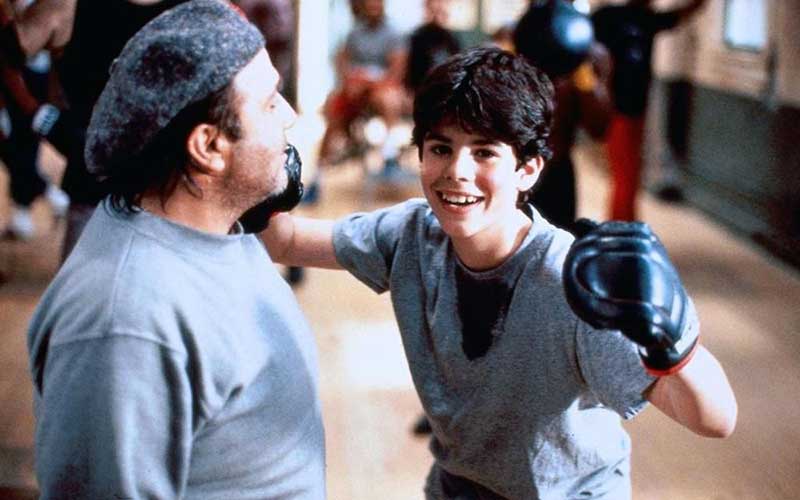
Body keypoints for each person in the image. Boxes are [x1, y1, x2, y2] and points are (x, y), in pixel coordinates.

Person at [261, 47, 737, 498]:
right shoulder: (412, 235)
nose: (457, 171)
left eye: (485, 152)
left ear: (528, 169)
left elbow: (716, 420)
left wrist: (674, 343)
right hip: (460, 486)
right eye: (440, 148)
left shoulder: (568, 283)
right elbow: (284, 241)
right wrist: (261, 171)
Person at [26, 1, 325, 497]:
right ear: (208, 147)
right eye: (271, 103)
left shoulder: (222, 227)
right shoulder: (125, 322)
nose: (289, 116)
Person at [1, 0, 187, 260]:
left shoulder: (198, 7)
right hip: (94, 194)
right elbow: (7, 54)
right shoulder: (66, 4)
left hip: (173, 199)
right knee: (87, 283)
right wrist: (37, 112)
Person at [591, 0, 707, 221]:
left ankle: (624, 222)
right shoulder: (608, 16)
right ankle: (620, 224)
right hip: (616, 109)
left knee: (630, 173)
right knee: (625, 174)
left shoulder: (647, 19)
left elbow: (682, 13)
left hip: (636, 109)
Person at [513, 0, 611, 231]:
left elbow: (599, 128)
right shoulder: (520, 45)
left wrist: (584, 78)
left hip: (558, 170)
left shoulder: (587, 55)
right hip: (518, 165)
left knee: (558, 241)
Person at [318, 0, 407, 176]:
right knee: (332, 104)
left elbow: (396, 72)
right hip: (356, 90)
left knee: (388, 99)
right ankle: (319, 172)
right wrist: (350, 79)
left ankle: (389, 155)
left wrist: (368, 83)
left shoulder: (393, 34)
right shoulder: (355, 33)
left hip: (380, 89)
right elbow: (342, 61)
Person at [404, 0, 460, 95]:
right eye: (434, 10)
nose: (437, 14)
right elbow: (411, 74)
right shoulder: (417, 38)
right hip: (421, 90)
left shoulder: (452, 39)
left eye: (441, 10)